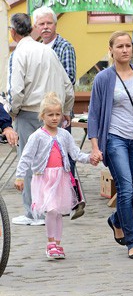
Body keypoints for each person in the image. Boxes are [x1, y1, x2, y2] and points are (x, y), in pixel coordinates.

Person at [88, 31, 133, 261]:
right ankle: (132, 241)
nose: (125, 50)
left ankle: (117, 220)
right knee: (126, 189)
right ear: (111, 50)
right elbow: (95, 115)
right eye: (120, 46)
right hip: (114, 139)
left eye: (128, 45)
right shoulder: (104, 79)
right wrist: (95, 146)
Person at [8, 12, 74, 227]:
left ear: (13, 32)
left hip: (28, 112)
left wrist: (13, 111)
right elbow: (67, 86)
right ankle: (50, 207)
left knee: (29, 162)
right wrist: (66, 110)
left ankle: (32, 212)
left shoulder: (20, 53)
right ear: (32, 29)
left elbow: (16, 90)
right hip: (51, 112)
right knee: (51, 163)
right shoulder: (47, 51)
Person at [14, 92, 97, 259]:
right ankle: (50, 243)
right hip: (44, 179)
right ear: (42, 115)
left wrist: (90, 158)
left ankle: (58, 244)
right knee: (51, 210)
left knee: (58, 212)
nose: (54, 118)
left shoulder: (64, 135)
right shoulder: (37, 136)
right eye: (50, 114)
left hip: (61, 178)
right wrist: (20, 176)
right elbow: (26, 157)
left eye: (57, 114)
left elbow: (75, 153)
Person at [32, 5, 85, 220]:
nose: (45, 27)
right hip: (43, 112)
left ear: (55, 24)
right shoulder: (36, 47)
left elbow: (69, 81)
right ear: (36, 26)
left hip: (59, 112)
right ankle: (52, 199)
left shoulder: (64, 47)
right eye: (41, 24)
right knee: (48, 157)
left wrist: (61, 112)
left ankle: (75, 197)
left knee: (65, 155)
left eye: (49, 23)